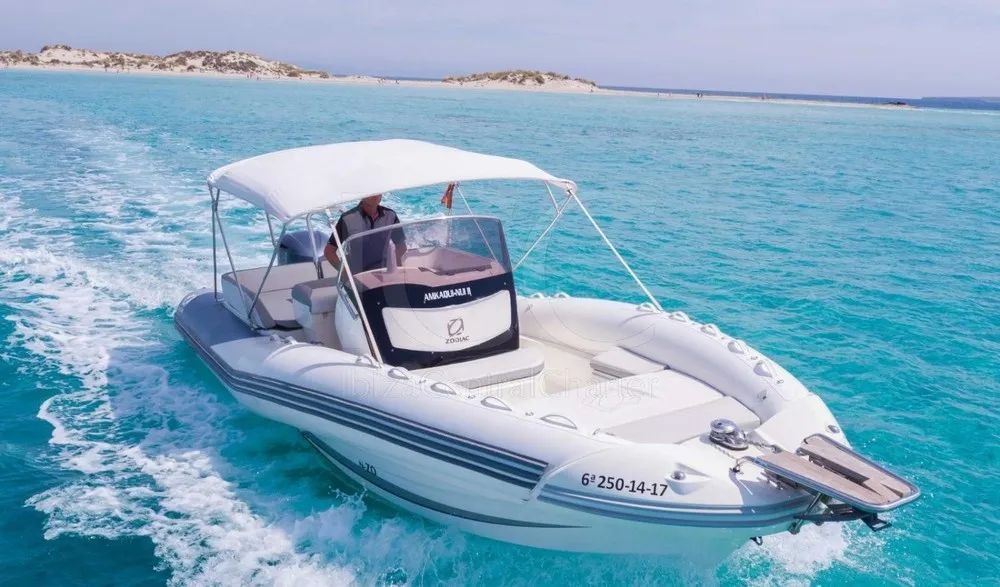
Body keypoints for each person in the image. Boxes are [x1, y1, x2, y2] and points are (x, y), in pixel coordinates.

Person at [323, 194, 406, 273]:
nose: (375, 194)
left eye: (378, 190)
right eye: (371, 191)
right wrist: (346, 275)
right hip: (358, 278)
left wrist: (393, 269)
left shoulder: (390, 215)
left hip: (384, 274)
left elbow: (401, 247)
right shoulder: (347, 219)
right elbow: (329, 251)